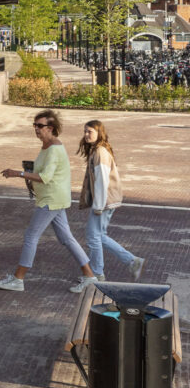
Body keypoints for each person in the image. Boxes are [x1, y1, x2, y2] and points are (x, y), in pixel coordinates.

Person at [0, 110, 96, 292]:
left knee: (31, 236)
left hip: (51, 199)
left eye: (40, 126)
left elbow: (46, 177)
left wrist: (18, 173)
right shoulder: (47, 146)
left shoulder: (54, 149)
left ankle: (18, 279)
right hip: (55, 198)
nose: (36, 129)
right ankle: (90, 276)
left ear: (51, 128)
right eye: (35, 125)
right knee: (67, 238)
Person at [70, 120, 145, 292]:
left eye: (90, 131)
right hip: (106, 201)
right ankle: (132, 262)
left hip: (104, 202)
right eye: (85, 131)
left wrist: (98, 206)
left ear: (99, 133)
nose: (86, 135)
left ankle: (96, 275)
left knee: (92, 237)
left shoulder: (100, 152)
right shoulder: (98, 150)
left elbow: (102, 181)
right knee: (99, 236)